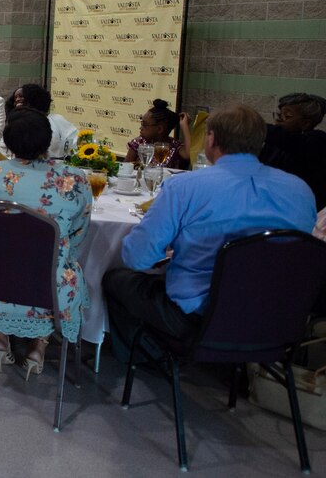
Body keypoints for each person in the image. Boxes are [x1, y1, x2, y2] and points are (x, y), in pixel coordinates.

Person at [103, 105, 317, 363]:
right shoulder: (300, 190)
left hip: (199, 317)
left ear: (211, 139)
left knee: (116, 279)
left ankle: (152, 360)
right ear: (261, 142)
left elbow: (137, 258)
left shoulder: (185, 187)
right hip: (279, 319)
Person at [0, 108, 93, 377]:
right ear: (48, 140)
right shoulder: (75, 179)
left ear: (8, 141)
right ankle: (38, 349)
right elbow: (79, 235)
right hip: (46, 288)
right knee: (66, 263)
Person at [259, 92, 326, 209]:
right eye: (279, 115)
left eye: (287, 116)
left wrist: (248, 125)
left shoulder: (317, 141)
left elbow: (286, 139)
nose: (279, 120)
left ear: (305, 123)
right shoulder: (275, 144)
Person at [13, 84, 78, 159]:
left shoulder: (56, 120)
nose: (17, 100)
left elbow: (76, 141)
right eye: (15, 98)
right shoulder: (15, 122)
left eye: (21, 96)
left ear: (34, 98)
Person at [125, 99, 192, 169]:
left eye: (144, 125)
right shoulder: (139, 143)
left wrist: (185, 126)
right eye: (142, 124)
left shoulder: (174, 146)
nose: (141, 128)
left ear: (159, 129)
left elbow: (188, 155)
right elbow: (125, 167)